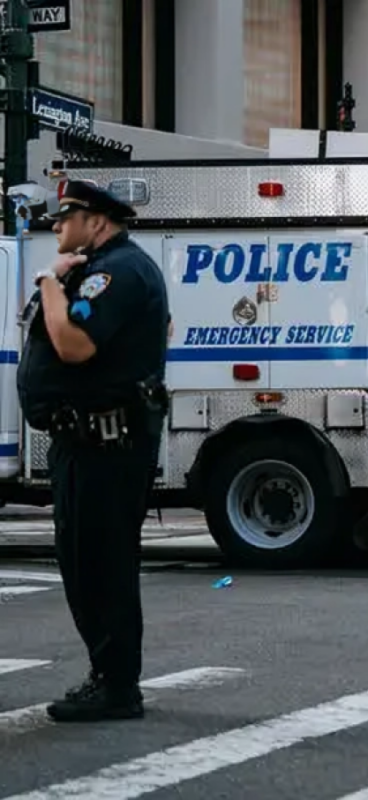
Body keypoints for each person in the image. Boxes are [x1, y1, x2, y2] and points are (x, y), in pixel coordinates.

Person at [17, 181, 169, 722]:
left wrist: (49, 286)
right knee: (89, 563)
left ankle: (116, 685)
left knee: (99, 565)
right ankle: (110, 676)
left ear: (96, 220)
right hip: (89, 441)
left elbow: (75, 345)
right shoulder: (111, 269)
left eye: (66, 217)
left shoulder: (117, 271)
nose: (57, 226)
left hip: (103, 444)